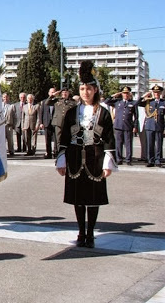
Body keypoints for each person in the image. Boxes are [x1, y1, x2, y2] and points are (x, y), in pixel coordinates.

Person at [55, 60, 117, 248]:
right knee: (78, 197)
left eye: (89, 89)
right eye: (82, 89)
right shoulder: (72, 111)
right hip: (74, 158)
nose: (85, 92)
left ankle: (91, 233)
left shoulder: (103, 113)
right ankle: (81, 231)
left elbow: (109, 138)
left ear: (95, 90)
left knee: (93, 197)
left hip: (95, 158)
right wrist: (61, 158)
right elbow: (64, 136)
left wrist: (108, 161)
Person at [104, 87, 139, 165]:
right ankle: (119, 159)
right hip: (118, 126)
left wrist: (135, 126)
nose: (125, 95)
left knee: (128, 144)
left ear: (129, 94)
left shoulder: (133, 103)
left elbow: (136, 116)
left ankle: (128, 160)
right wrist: (115, 94)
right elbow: (106, 101)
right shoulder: (117, 102)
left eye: (127, 93)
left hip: (128, 126)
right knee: (118, 144)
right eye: (124, 93)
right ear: (122, 94)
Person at [137, 85, 165, 167]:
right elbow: (137, 103)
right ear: (153, 93)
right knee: (150, 144)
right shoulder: (148, 102)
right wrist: (143, 96)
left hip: (159, 126)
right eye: (155, 92)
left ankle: (158, 160)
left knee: (159, 145)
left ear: (160, 93)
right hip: (149, 126)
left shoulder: (163, 102)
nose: (156, 94)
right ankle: (151, 160)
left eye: (158, 92)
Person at [39, 87, 57, 158]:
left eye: (53, 92)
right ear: (49, 93)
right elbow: (41, 112)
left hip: (55, 123)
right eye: (51, 92)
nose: (52, 93)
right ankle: (48, 153)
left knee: (56, 139)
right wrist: (41, 122)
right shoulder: (44, 102)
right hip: (47, 122)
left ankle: (55, 152)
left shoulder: (57, 101)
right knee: (47, 139)